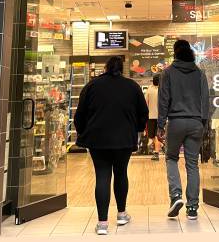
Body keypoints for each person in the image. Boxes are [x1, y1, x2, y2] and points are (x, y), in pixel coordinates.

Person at [74, 56, 149, 235]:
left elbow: (80, 115)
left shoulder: (92, 86)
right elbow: (143, 113)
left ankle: (102, 224)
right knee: (121, 173)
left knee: (102, 176)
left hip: (97, 139)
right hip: (124, 139)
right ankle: (122, 214)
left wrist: (84, 133)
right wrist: (136, 129)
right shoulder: (132, 86)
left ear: (106, 68)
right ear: (122, 68)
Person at [157, 39, 209, 220]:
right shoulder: (200, 74)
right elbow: (206, 100)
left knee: (171, 158)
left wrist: (160, 125)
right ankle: (193, 208)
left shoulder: (168, 73)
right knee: (192, 164)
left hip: (176, 122)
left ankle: (176, 196)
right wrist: (204, 123)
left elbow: (163, 100)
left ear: (175, 53)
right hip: (196, 123)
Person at [145, 74, 161, 161]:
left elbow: (145, 102)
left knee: (152, 136)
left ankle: (156, 153)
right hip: (161, 117)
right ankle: (160, 147)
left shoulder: (149, 89)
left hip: (151, 116)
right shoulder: (162, 90)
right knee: (156, 136)